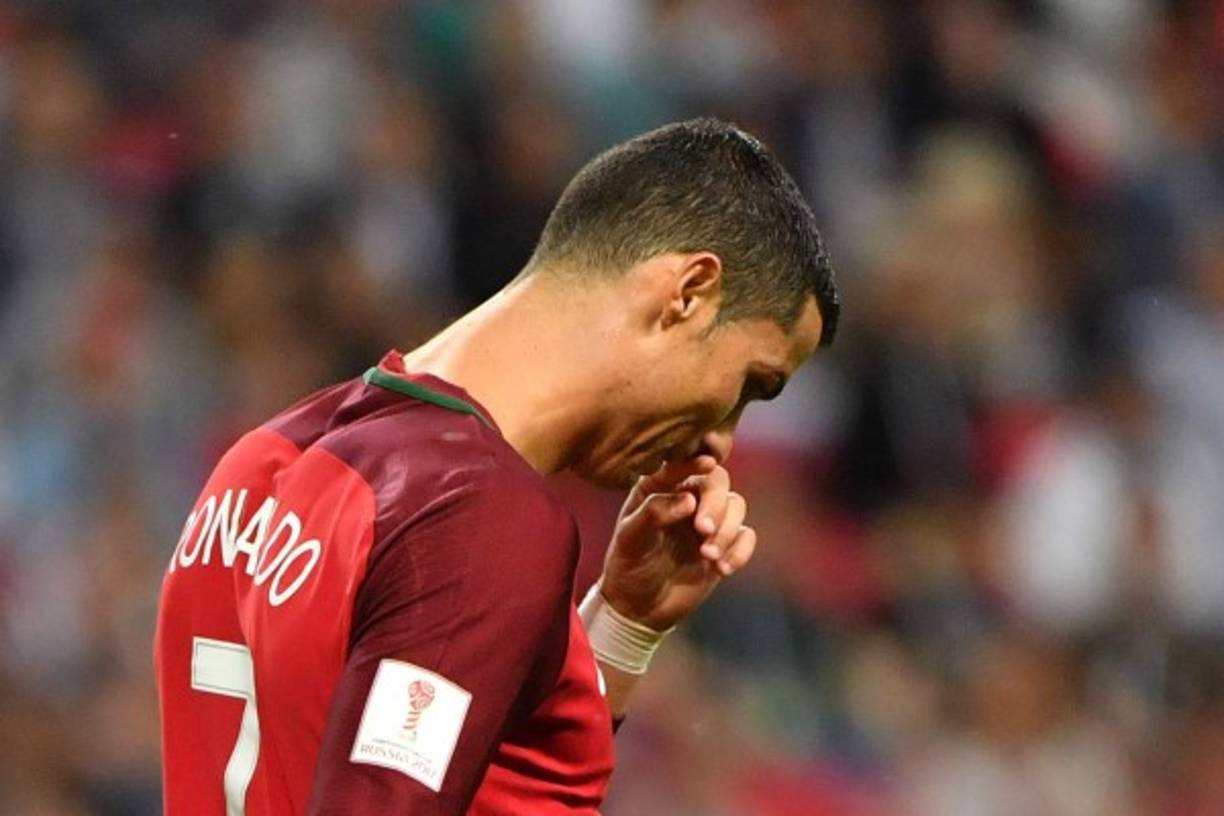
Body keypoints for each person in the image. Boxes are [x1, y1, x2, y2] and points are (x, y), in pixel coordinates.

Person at [154, 117, 840, 815]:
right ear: (687, 293)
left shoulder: (263, 463)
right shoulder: (478, 513)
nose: (721, 442)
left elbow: (461, 771)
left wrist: (623, 624)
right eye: (752, 384)